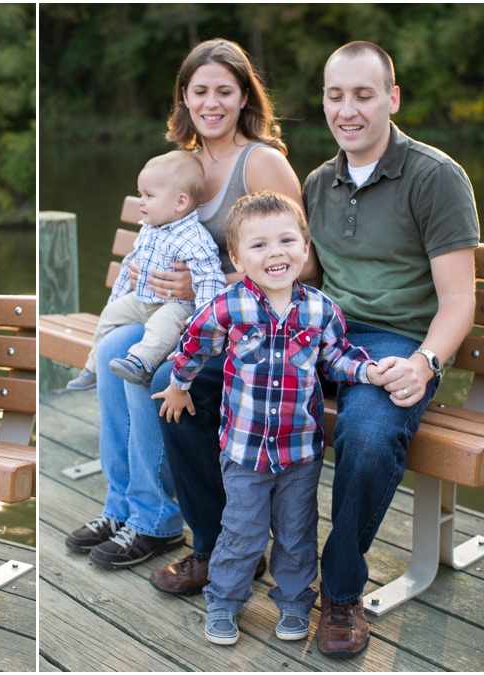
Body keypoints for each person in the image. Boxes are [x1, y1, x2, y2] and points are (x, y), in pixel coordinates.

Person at [152, 41, 480, 659]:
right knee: (180, 386)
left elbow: (459, 299)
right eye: (336, 95)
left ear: (392, 98)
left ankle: (342, 592)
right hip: (313, 329)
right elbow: (296, 277)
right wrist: (226, 303)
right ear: (324, 102)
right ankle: (223, 547)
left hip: (393, 345)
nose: (348, 109)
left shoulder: (436, 177)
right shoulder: (319, 182)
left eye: (363, 94)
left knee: (368, 434)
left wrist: (424, 363)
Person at [65, 38, 305, 572]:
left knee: (156, 373)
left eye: (225, 90)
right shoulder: (184, 164)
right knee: (115, 350)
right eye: (200, 91)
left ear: (245, 97)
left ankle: (156, 518)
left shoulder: (260, 163)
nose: (211, 102)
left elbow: (304, 262)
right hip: (176, 315)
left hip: (242, 324)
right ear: (185, 97)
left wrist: (205, 284)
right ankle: (125, 505)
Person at [155, 191, 381, 645]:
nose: (275, 253)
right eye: (259, 245)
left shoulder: (321, 310)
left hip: (299, 452)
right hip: (244, 452)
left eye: (285, 240)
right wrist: (179, 385)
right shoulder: (228, 306)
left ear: (305, 246)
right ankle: (223, 601)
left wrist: (370, 370)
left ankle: (296, 604)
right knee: (242, 530)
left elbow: (337, 358)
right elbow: (194, 344)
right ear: (237, 258)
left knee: (297, 535)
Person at [66, 151, 225, 391]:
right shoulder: (150, 228)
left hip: (177, 304)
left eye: (149, 195)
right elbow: (130, 263)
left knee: (164, 323)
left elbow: (210, 280)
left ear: (180, 202)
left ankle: (142, 363)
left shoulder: (194, 239)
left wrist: (199, 321)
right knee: (110, 313)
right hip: (143, 299)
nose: (140, 201)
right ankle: (93, 368)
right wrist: (117, 298)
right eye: (141, 194)